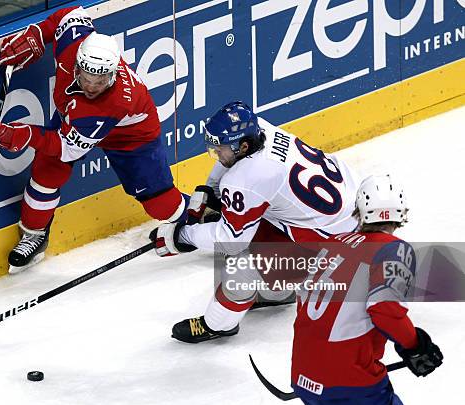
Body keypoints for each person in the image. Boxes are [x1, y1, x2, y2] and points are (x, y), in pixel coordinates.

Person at [0, 6, 188, 273]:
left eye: (100, 80)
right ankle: (34, 235)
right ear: (78, 63)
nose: (91, 86)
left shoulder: (110, 104)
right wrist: (37, 34)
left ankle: (194, 217)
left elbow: (65, 147)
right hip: (75, 118)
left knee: (159, 203)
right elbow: (67, 14)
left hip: (131, 135)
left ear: (112, 74)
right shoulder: (74, 43)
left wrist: (21, 135)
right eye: (87, 76)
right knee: (47, 170)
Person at [149, 101, 361, 343]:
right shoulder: (263, 129)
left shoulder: (248, 178)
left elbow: (229, 239)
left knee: (240, 265)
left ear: (244, 145)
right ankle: (277, 292)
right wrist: (210, 189)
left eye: (220, 150)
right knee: (250, 219)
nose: (216, 155)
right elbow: (232, 167)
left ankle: (218, 324)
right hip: (349, 211)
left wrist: (183, 237)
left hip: (337, 253)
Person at [290, 174, 443, 405]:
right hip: (351, 382)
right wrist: (415, 345)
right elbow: (384, 310)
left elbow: (306, 305)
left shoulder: (333, 242)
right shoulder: (393, 249)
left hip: (303, 376)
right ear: (400, 213)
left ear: (360, 212)